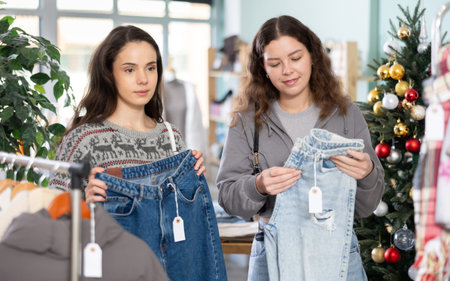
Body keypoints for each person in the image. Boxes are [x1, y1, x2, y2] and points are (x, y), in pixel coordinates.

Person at [216, 15, 385, 281]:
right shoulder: (246, 121)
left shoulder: (346, 114)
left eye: (295, 58)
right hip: (272, 249)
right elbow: (228, 198)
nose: (287, 70)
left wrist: (367, 173)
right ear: (263, 68)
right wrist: (257, 185)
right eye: (275, 63)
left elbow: (367, 207)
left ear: (313, 56)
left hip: (337, 247)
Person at [49, 25, 205, 198]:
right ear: (109, 74)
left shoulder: (172, 137)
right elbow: (54, 214)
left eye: (150, 68)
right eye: (129, 70)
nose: (143, 79)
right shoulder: (82, 140)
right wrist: (84, 203)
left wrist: (194, 183)